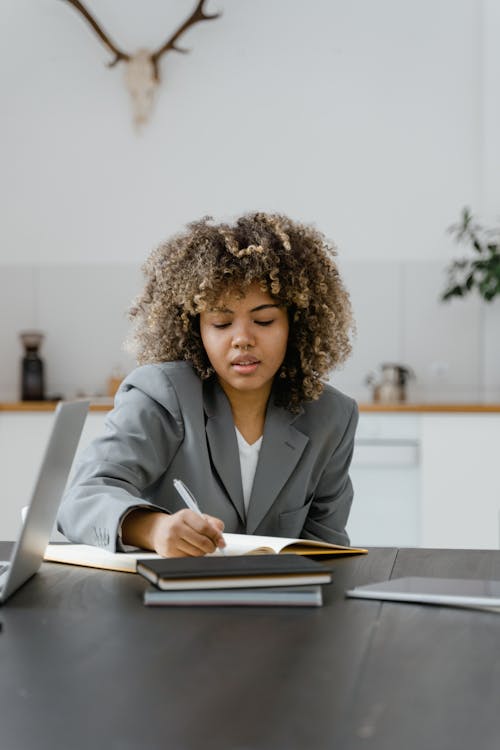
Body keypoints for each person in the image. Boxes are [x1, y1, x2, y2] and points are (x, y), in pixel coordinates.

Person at [57, 212, 358, 557]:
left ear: (297, 323)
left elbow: (325, 546)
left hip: (280, 604)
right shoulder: (161, 395)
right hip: (166, 601)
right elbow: (82, 498)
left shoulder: (331, 415)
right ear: (195, 329)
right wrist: (153, 529)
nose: (242, 339)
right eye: (220, 323)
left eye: (264, 320)